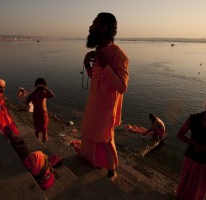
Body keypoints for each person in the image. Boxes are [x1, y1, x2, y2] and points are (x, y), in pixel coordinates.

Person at [80, 12, 129, 180]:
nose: (90, 26)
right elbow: (96, 78)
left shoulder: (117, 54)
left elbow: (122, 87)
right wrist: (87, 65)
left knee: (106, 138)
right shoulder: (99, 50)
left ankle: (112, 170)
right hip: (94, 103)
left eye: (94, 23)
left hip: (106, 107)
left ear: (104, 28)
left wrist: (106, 65)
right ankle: (93, 161)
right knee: (90, 133)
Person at [27, 78, 54, 143]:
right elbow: (52, 95)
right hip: (42, 114)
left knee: (38, 129)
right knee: (43, 130)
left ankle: (39, 142)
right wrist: (44, 88)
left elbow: (27, 101)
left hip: (36, 113)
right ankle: (42, 142)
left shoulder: (34, 94)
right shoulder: (42, 94)